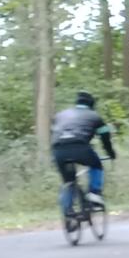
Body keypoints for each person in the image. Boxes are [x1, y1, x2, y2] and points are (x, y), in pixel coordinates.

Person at [50, 91, 116, 219]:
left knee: (68, 180)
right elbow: (105, 138)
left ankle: (67, 209)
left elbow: (53, 133)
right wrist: (111, 153)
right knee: (96, 165)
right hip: (79, 147)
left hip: (58, 150)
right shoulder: (95, 116)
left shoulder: (60, 115)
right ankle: (94, 193)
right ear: (92, 105)